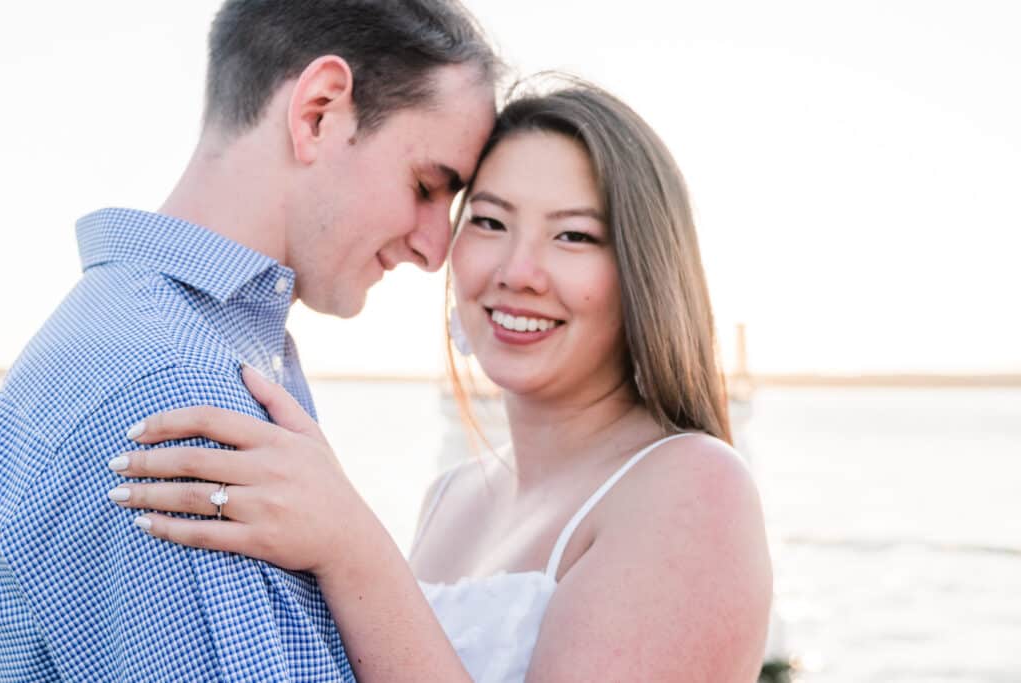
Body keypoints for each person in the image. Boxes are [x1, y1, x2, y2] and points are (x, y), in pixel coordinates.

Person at [109, 80, 774, 681]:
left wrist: (351, 544)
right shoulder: (453, 496)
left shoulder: (693, 487)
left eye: (572, 236)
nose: (517, 270)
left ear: (642, 273)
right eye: (488, 221)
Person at [0, 1, 497, 680]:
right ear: (318, 111)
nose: (435, 248)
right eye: (426, 185)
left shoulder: (152, 340)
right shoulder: (180, 394)